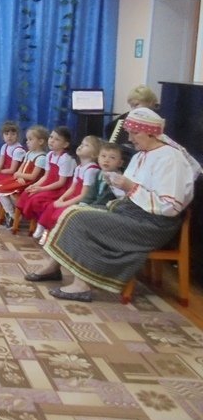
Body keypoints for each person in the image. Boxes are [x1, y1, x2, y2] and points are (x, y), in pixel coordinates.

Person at [24, 108, 198, 303]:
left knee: (80, 219)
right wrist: (116, 184)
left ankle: (82, 285)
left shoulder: (171, 159)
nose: (130, 138)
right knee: (73, 211)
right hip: (131, 212)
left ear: (151, 133)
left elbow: (170, 206)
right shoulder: (142, 154)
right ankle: (53, 267)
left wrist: (129, 186)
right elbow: (131, 193)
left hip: (152, 224)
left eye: (134, 133)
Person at [32, 135, 101, 244]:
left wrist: (64, 204)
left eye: (86, 145)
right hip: (73, 197)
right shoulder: (79, 167)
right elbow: (72, 188)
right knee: (52, 206)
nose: (81, 146)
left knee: (59, 212)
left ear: (94, 154)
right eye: (82, 144)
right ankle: (42, 227)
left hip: (81, 201)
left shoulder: (91, 170)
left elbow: (83, 195)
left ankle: (49, 234)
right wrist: (61, 198)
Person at [15, 126, 75, 223]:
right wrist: (34, 185)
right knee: (27, 192)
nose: (52, 141)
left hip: (59, 189)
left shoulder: (66, 159)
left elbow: (61, 183)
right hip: (48, 185)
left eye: (57, 139)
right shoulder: (49, 155)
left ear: (65, 144)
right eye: (51, 137)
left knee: (36, 199)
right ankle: (30, 220)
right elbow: (46, 176)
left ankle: (42, 223)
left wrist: (41, 189)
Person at [0, 125, 49, 227]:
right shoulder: (29, 153)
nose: (27, 142)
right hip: (20, 179)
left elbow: (33, 177)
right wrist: (18, 176)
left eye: (30, 139)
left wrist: (19, 174)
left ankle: (12, 214)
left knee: (0, 189)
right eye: (27, 139)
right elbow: (21, 167)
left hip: (28, 183)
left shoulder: (42, 158)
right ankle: (12, 213)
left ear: (40, 141)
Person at [78, 142, 124, 207]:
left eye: (112, 157)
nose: (106, 160)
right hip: (95, 204)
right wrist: (84, 202)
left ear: (120, 163)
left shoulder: (118, 179)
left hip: (106, 207)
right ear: (98, 158)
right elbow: (91, 192)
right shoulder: (99, 173)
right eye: (103, 156)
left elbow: (106, 198)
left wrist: (90, 206)